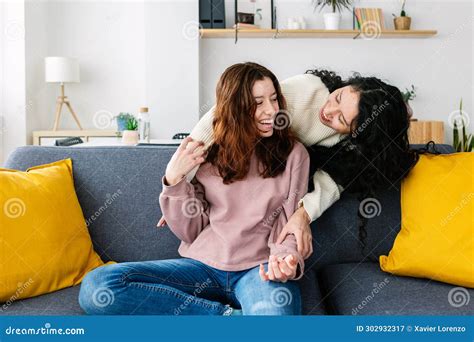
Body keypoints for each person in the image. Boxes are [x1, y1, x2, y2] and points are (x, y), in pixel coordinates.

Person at [78, 62, 309, 315]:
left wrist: (286, 258)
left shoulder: (294, 154)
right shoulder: (207, 154)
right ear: (235, 108)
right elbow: (190, 231)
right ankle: (226, 318)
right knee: (98, 286)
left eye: (274, 99)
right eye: (258, 103)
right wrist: (173, 180)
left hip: (260, 270)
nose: (271, 111)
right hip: (202, 267)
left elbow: (291, 219)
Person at [181, 68, 417, 258]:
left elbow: (329, 187)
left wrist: (301, 216)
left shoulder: (348, 148)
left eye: (341, 119)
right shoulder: (306, 89)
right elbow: (222, 113)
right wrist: (182, 184)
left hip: (283, 174)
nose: (329, 111)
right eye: (338, 97)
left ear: (356, 133)